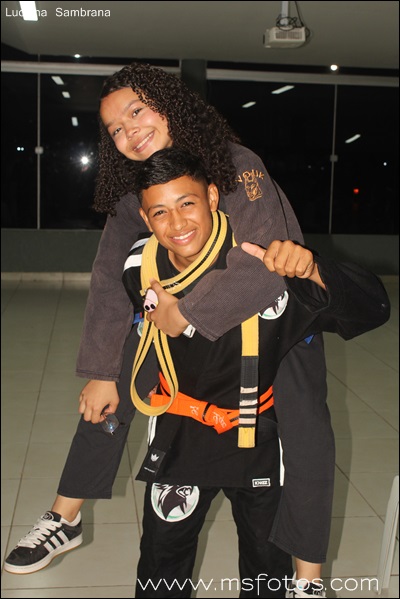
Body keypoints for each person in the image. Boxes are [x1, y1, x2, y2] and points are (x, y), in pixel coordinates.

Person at [5, 62, 331, 591]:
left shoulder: (235, 164)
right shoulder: (136, 191)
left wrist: (187, 314)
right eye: (115, 128)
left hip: (275, 319)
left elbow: (262, 268)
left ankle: (307, 576)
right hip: (188, 327)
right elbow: (108, 278)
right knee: (115, 375)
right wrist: (101, 371)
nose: (129, 131)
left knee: (307, 433)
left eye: (137, 111)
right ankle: (65, 516)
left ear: (169, 106)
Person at [120, 147, 390, 598]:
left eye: (187, 203)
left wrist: (313, 270)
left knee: (267, 573)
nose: (177, 223)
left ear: (212, 197)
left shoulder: (266, 266)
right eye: (160, 212)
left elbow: (372, 308)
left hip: (259, 441)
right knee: (160, 568)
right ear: (146, 219)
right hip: (180, 438)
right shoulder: (140, 267)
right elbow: (127, 321)